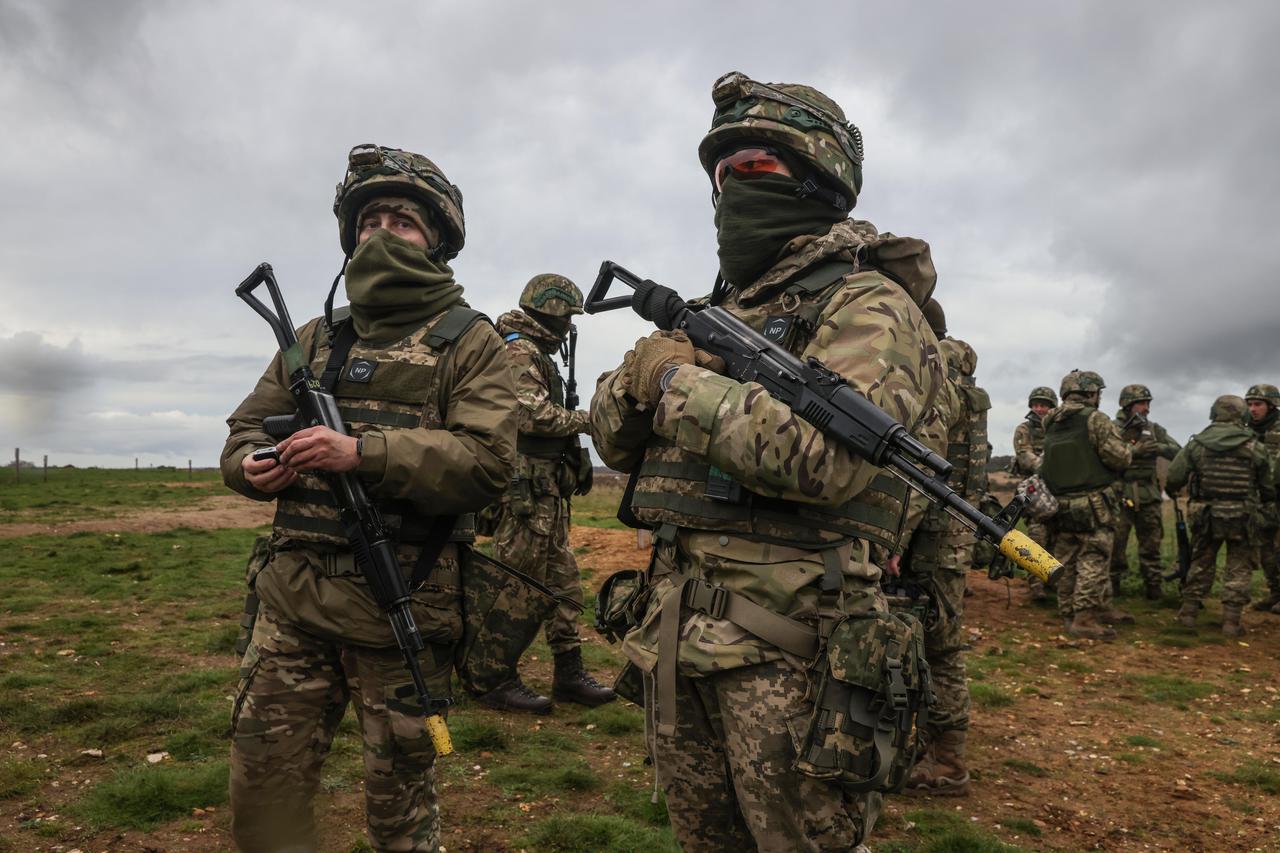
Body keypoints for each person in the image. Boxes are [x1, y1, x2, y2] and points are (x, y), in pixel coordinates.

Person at [591, 70, 943, 851]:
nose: (732, 190)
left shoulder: (869, 304)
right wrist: (645, 375)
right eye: (723, 174)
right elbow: (612, 435)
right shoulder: (721, 312)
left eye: (755, 170)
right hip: (680, 640)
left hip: (794, 655)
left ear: (817, 180)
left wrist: (674, 383)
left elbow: (826, 460)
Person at [220, 144, 517, 852]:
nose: (382, 232)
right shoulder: (315, 338)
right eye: (371, 218)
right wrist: (251, 466)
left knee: (399, 816)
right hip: (291, 604)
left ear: (437, 238)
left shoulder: (470, 343)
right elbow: (241, 432)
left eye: (404, 221)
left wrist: (362, 452)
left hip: (399, 607)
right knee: (262, 796)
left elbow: (489, 461)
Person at [473, 274, 614, 713]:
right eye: (568, 316)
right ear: (551, 312)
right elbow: (529, 414)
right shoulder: (517, 349)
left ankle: (568, 673)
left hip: (546, 488)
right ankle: (491, 676)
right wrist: (588, 421)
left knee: (564, 583)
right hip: (525, 490)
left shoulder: (534, 351)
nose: (569, 326)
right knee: (514, 583)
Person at [896, 333, 983, 797]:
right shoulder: (973, 400)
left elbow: (922, 476)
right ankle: (932, 747)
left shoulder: (942, 394)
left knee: (937, 650)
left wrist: (895, 539)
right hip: (953, 543)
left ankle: (947, 761)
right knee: (937, 647)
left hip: (928, 543)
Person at [1166, 395, 1274, 636]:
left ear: (1214, 413)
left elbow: (1174, 477)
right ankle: (1231, 621)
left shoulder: (1198, 444)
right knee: (1239, 566)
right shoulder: (1254, 446)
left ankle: (1188, 614)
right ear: (1241, 415)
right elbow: (1267, 486)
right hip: (1243, 516)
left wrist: (1173, 492)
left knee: (1201, 562)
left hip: (1206, 515)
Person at [1039, 370, 1132, 640]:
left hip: (1059, 504)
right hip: (1093, 504)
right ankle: (1085, 618)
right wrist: (1131, 449)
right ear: (1092, 394)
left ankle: (1069, 613)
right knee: (1094, 558)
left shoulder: (1050, 421)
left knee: (1065, 560)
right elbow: (1119, 458)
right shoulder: (1096, 419)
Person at [1108, 384, 1181, 599]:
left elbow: (1178, 451)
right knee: (1115, 544)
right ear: (1128, 405)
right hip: (1120, 494)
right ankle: (1113, 587)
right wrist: (1134, 450)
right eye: (1142, 403)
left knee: (1151, 543)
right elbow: (1104, 453)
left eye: (1148, 403)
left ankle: (1153, 587)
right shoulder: (1112, 428)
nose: (1146, 408)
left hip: (1149, 495)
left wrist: (1157, 447)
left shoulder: (1155, 429)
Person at [1012, 386, 1058, 601]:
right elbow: (1024, 455)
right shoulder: (1024, 429)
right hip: (1036, 492)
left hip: (1058, 489)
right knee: (1037, 538)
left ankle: (1055, 582)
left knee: (1059, 539)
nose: (1039, 409)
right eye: (1036, 405)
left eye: (1044, 405)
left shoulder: (1057, 428)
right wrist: (1046, 464)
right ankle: (1035, 585)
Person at [1244, 383, 1280, 613]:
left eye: (1258, 404)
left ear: (1271, 405)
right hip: (1262, 499)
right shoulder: (1246, 430)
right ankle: (1275, 592)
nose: (1253, 409)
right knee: (1266, 549)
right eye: (1249, 404)